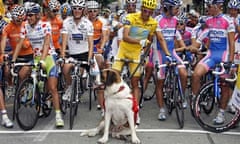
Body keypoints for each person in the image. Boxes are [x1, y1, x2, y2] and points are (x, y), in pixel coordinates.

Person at [12, 2, 64, 128]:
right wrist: (13, 60)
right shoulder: (25, 26)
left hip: (49, 56)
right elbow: (19, 43)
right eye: (27, 16)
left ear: (37, 16)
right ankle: (29, 91)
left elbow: (46, 43)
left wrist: (42, 60)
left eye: (30, 15)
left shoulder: (45, 25)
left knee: (52, 87)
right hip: (35, 57)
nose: (28, 18)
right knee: (23, 72)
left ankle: (58, 116)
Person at [187, 0, 235, 125]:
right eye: (207, 6)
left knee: (224, 85)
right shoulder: (208, 21)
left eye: (210, 6)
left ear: (218, 6)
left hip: (224, 54)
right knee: (196, 74)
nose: (208, 9)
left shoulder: (228, 21)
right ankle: (196, 99)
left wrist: (230, 61)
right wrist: (194, 46)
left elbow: (232, 43)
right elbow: (202, 36)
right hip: (212, 54)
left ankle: (221, 113)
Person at [112, 0, 159, 124]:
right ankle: (110, 108)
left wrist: (145, 54)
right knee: (113, 77)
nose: (146, 13)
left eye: (149, 12)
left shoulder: (153, 23)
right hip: (124, 50)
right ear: (141, 8)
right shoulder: (130, 17)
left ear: (152, 12)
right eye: (144, 10)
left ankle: (135, 112)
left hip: (136, 53)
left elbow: (149, 41)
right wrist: (140, 41)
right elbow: (126, 36)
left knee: (135, 83)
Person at [152, 0, 188, 120]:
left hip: (171, 51)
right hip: (160, 52)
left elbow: (176, 37)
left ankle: (181, 97)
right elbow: (161, 39)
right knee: (160, 81)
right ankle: (161, 109)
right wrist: (167, 54)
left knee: (183, 72)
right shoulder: (157, 20)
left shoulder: (176, 20)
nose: (178, 11)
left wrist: (174, 52)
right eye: (176, 8)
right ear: (168, 7)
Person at [61, 0, 94, 101]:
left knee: (83, 73)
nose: (77, 11)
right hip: (72, 54)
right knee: (65, 69)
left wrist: (89, 58)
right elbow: (64, 41)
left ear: (83, 10)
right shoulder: (67, 22)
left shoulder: (88, 23)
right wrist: (62, 56)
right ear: (72, 10)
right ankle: (70, 87)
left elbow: (91, 43)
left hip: (84, 54)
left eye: (79, 8)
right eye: (74, 8)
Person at [1, 5, 33, 84]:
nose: (20, 21)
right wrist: (2, 53)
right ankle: (10, 85)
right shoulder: (8, 27)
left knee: (22, 75)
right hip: (15, 55)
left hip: (29, 55)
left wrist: (25, 43)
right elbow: (3, 41)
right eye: (17, 20)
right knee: (7, 71)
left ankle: (22, 91)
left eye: (22, 19)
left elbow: (27, 45)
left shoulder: (27, 25)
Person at [227, 0, 240, 113]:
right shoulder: (227, 18)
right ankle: (231, 101)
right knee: (231, 75)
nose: (233, 11)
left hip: (239, 47)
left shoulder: (239, 18)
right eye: (231, 9)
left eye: (235, 9)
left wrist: (237, 25)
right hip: (231, 47)